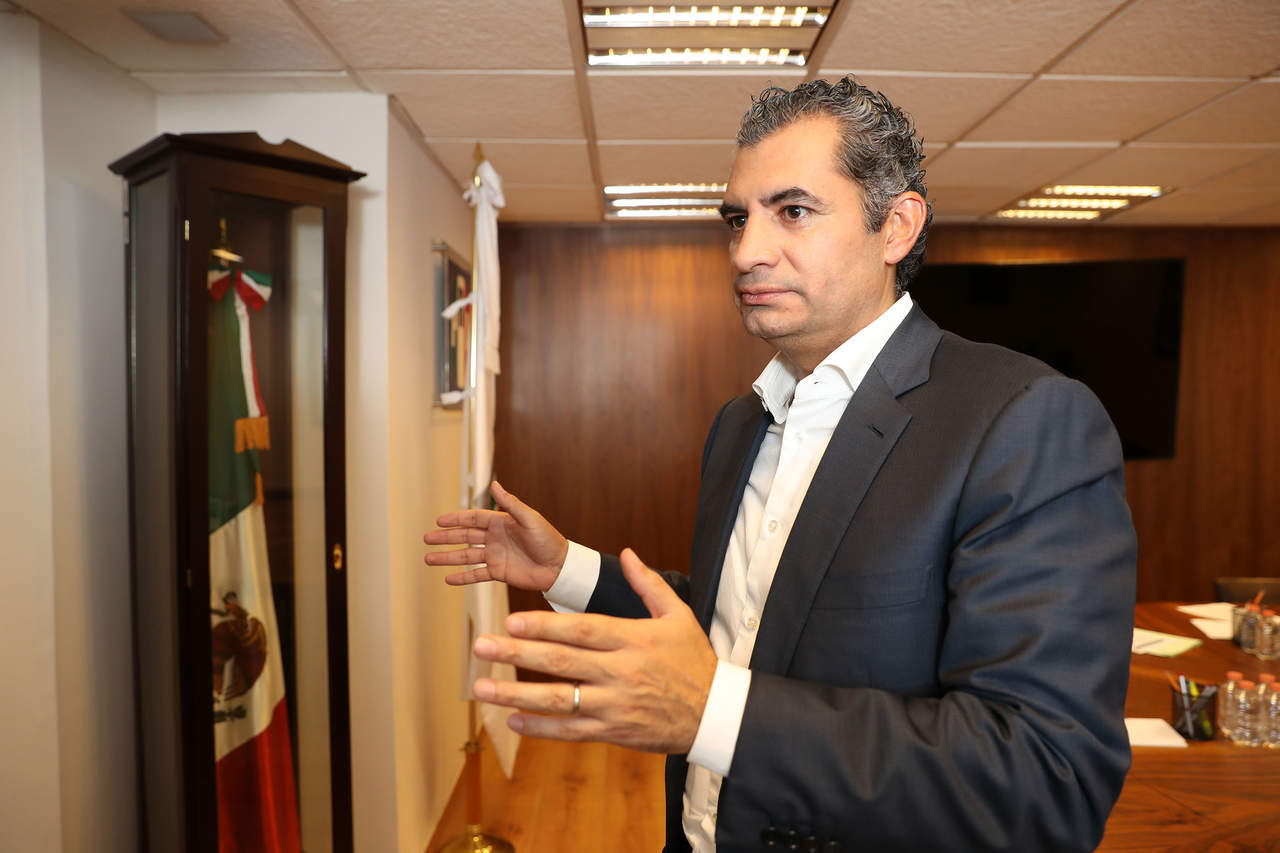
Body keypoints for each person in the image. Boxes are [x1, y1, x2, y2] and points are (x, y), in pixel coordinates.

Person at [424, 77, 1136, 853]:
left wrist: (715, 714)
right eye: (739, 218)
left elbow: (1046, 780)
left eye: (792, 211)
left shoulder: (1023, 419)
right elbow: (743, 623)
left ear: (896, 227)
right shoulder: (741, 423)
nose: (746, 252)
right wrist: (567, 568)